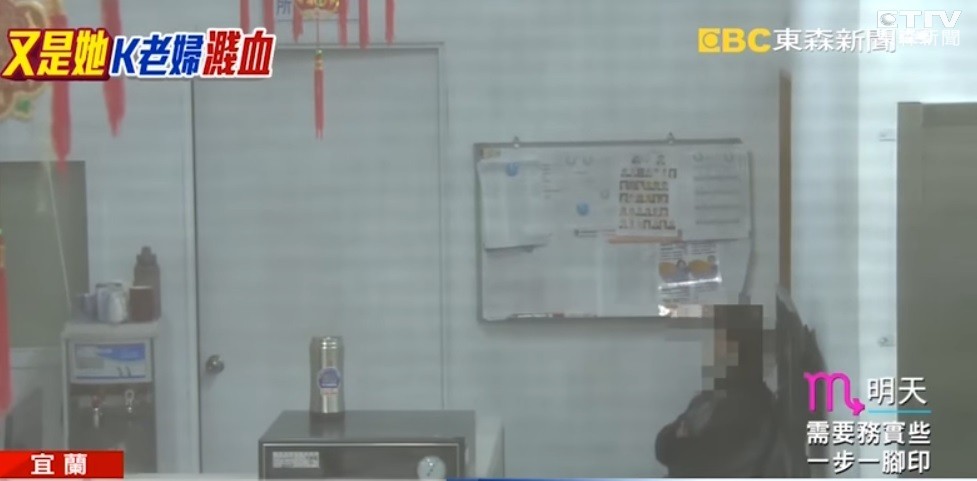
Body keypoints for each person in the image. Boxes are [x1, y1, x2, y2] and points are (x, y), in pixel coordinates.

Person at [655, 312, 786, 477]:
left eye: (719, 344)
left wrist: (680, 444)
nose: (711, 351)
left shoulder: (750, 409)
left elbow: (695, 465)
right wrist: (677, 444)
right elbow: (663, 445)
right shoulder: (711, 395)